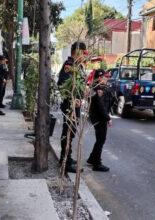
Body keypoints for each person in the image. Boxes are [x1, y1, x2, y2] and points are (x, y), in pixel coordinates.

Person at [58, 41, 87, 173]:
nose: (84, 56)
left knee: (72, 132)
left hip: (75, 105)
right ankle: (65, 162)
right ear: (78, 52)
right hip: (70, 106)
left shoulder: (77, 65)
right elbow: (62, 84)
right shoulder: (69, 65)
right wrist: (72, 98)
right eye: (83, 53)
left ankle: (66, 158)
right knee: (68, 132)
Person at [87, 69, 113, 172]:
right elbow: (100, 105)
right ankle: (96, 164)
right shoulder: (98, 89)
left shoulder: (99, 87)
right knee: (100, 140)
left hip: (98, 116)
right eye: (105, 77)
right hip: (99, 117)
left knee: (100, 139)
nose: (107, 79)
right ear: (100, 78)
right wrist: (108, 118)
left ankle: (92, 158)